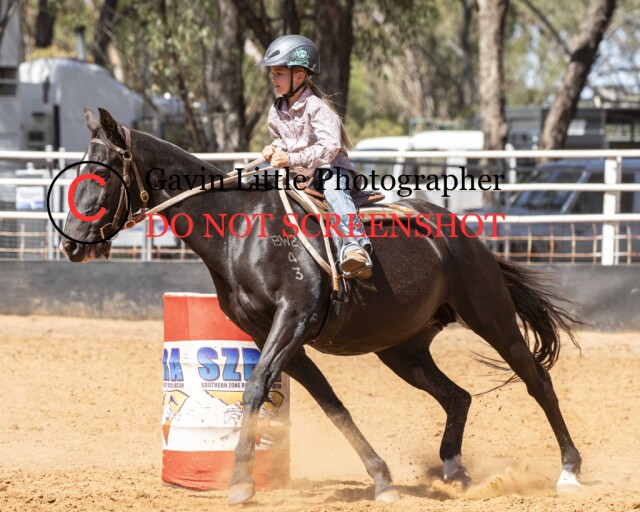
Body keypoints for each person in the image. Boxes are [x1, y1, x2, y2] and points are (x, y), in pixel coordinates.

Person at [258, 34, 373, 279]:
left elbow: (330, 147)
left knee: (333, 188)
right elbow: (281, 140)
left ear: (299, 76)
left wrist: (290, 159)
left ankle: (354, 245)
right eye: (273, 73)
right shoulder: (275, 111)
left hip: (331, 170)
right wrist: (273, 149)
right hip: (300, 176)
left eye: (279, 73)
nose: (273, 78)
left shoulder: (318, 108)